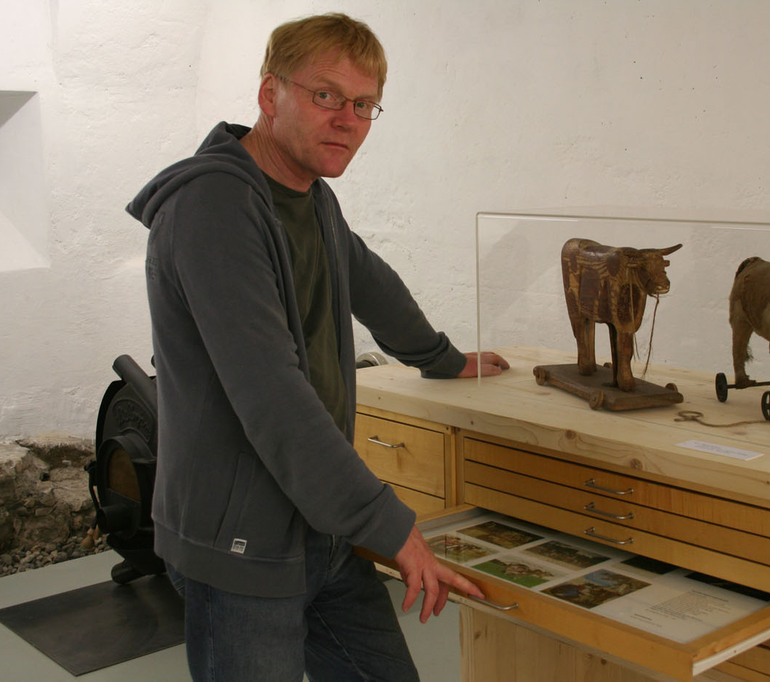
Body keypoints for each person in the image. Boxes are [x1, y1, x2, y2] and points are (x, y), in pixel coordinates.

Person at [126, 12, 508, 681]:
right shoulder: (213, 207)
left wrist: (444, 359)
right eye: (326, 95)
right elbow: (272, 396)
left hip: (320, 527)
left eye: (363, 104)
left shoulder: (310, 199)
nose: (347, 120)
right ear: (269, 94)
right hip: (242, 547)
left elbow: (371, 283)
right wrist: (387, 523)